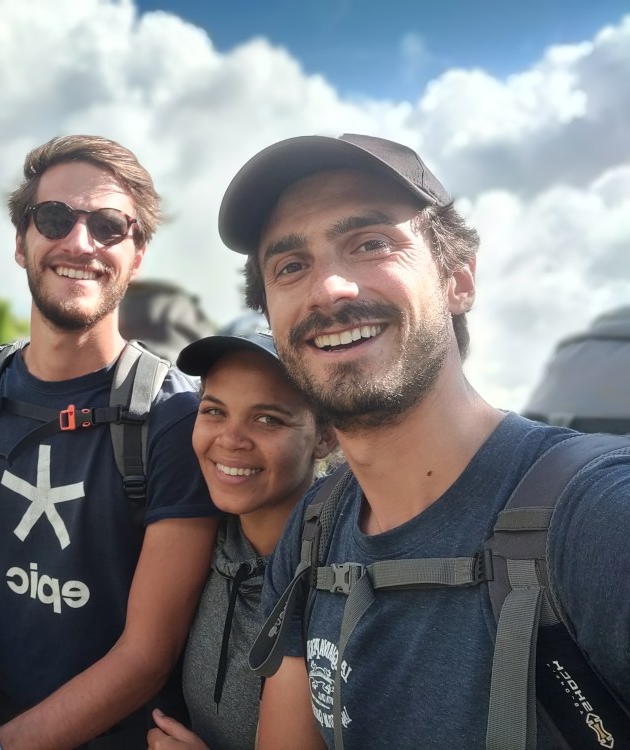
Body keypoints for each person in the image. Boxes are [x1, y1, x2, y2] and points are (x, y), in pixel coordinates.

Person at [216, 133, 630, 748]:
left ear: (458, 279)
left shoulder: (595, 517)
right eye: (291, 266)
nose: (329, 289)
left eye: (371, 243)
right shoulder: (313, 534)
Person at [0, 135, 219, 750]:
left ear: (138, 253)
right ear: (21, 242)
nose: (79, 242)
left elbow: (146, 654)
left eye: (109, 226)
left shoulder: (172, 418)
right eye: (54, 219)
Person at [146, 331, 336, 750]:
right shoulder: (200, 544)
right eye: (214, 411)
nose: (230, 439)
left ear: (326, 437)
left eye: (268, 419)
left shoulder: (340, 576)